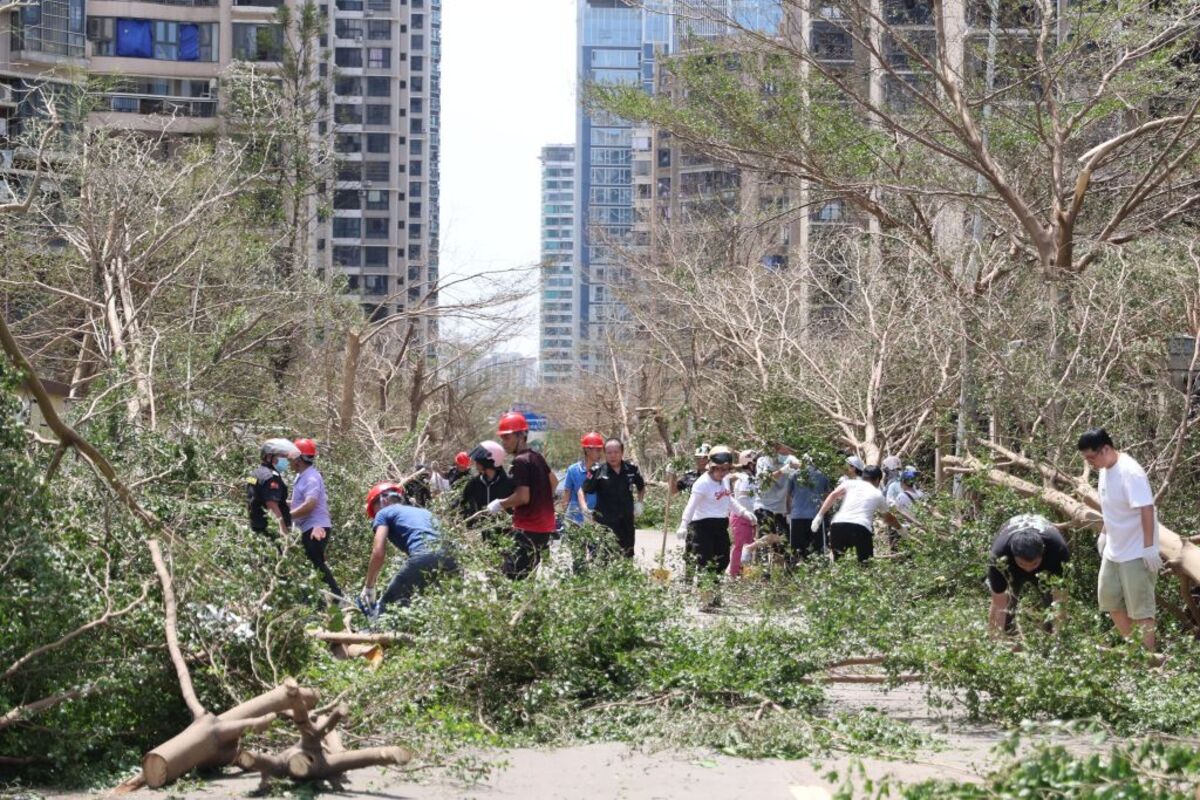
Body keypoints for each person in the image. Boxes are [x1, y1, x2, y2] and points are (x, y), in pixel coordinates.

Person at [1078, 427, 1161, 650]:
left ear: (1106, 449)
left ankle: (1148, 660)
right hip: (1114, 549)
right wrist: (1105, 533)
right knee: (1109, 599)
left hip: (1136, 551)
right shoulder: (1105, 469)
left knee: (1140, 609)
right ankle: (1135, 651)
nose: (1090, 463)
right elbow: (1111, 507)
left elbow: (1146, 509)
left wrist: (1150, 547)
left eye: (1091, 457)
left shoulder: (1130, 472)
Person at [359, 482, 458, 622]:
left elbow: (378, 553)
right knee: (437, 606)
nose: (375, 515)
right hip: (452, 557)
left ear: (383, 500)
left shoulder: (383, 513)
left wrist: (369, 586)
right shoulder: (424, 512)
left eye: (374, 509)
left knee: (389, 609)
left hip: (424, 555)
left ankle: (376, 635)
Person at [483, 412, 559, 579]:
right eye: (502, 439)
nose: (504, 443)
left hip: (528, 528)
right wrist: (541, 501)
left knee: (512, 578)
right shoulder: (537, 457)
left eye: (507, 438)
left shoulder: (520, 461)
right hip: (544, 529)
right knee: (528, 576)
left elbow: (523, 497)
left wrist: (499, 504)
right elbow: (554, 482)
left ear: (521, 435)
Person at [676, 445, 755, 581]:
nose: (723, 473)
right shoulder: (702, 483)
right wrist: (683, 524)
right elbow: (691, 505)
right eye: (719, 469)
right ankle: (706, 597)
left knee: (723, 560)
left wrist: (743, 512)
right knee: (706, 563)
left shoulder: (724, 479)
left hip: (720, 525)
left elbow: (728, 499)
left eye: (726, 469)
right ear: (712, 467)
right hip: (702, 527)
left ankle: (715, 593)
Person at [986, 513, 1071, 636]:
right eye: (1022, 564)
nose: (1028, 569)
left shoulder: (1058, 550)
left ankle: (1049, 639)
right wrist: (994, 641)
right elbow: (998, 603)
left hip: (1046, 568)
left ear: (1043, 553)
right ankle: (1009, 636)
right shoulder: (999, 555)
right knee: (1007, 607)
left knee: (1051, 606)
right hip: (1011, 568)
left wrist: (1059, 637)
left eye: (1034, 564)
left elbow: (1060, 599)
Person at [287, 438, 343, 602]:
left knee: (316, 564)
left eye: (291, 458)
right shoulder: (302, 477)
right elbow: (299, 503)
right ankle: (320, 601)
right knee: (312, 564)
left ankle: (337, 598)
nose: (289, 461)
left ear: (298, 459)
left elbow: (310, 504)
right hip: (308, 527)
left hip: (315, 528)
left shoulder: (311, 477)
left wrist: (287, 516)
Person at [812, 465, 899, 563]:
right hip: (861, 527)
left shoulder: (849, 483)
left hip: (838, 525)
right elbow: (888, 518)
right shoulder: (878, 494)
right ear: (878, 480)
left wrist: (819, 515)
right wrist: (901, 529)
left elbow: (833, 495)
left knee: (840, 562)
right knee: (865, 563)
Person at [583, 437, 646, 558]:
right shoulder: (598, 471)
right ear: (605, 454)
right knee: (605, 557)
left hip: (626, 522)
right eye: (609, 453)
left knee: (627, 555)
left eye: (616, 452)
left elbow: (641, 487)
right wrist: (586, 509)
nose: (613, 456)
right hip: (605, 523)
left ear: (622, 452)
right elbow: (584, 489)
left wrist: (640, 503)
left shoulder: (631, 469)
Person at [247, 438, 297, 541]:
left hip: (257, 528)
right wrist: (283, 532)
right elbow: (272, 505)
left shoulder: (256, 473)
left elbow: (259, 498)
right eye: (282, 456)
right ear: (269, 457)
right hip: (270, 533)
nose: (286, 460)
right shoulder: (271, 477)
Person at [460, 440, 514, 531]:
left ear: (488, 461)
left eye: (478, 461)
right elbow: (461, 504)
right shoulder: (474, 483)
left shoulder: (510, 484)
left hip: (504, 536)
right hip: (478, 536)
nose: (475, 463)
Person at [787, 455, 831, 561]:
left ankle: (797, 571)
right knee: (818, 549)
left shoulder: (794, 475)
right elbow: (826, 496)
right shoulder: (823, 475)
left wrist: (788, 512)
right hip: (816, 517)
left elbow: (788, 496)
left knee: (797, 549)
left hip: (797, 516)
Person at [562, 432, 603, 526]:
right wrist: (563, 515)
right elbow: (567, 493)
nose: (600, 453)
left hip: (595, 520)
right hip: (575, 520)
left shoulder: (602, 471)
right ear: (587, 450)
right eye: (597, 450)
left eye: (600, 449)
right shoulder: (573, 470)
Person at [728, 451, 759, 577]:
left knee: (748, 547)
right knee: (741, 548)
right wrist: (752, 513)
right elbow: (743, 499)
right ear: (750, 464)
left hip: (749, 518)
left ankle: (744, 575)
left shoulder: (751, 478)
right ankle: (736, 576)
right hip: (742, 517)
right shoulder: (745, 479)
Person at [754, 447, 794, 540]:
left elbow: (788, 490)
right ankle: (749, 550)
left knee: (784, 542)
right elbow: (764, 481)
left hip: (780, 509)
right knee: (767, 539)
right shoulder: (763, 461)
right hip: (764, 506)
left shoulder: (789, 461)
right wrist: (782, 471)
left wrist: (788, 511)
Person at [886, 468, 925, 551]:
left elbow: (898, 512)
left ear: (902, 482)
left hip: (909, 528)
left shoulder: (902, 496)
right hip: (921, 525)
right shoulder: (921, 493)